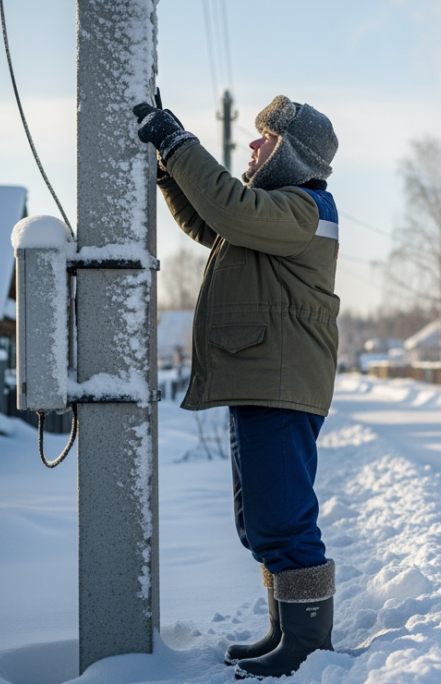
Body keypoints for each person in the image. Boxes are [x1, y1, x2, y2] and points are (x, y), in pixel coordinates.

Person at [133, 95, 342, 679]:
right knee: (258, 519)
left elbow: (226, 207)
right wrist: (170, 174)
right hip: (261, 380)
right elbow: (209, 219)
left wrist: (178, 143)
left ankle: (306, 646)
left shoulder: (305, 207)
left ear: (291, 153)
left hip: (279, 384)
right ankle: (285, 630)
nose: (253, 146)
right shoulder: (273, 213)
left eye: (265, 138)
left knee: (283, 518)